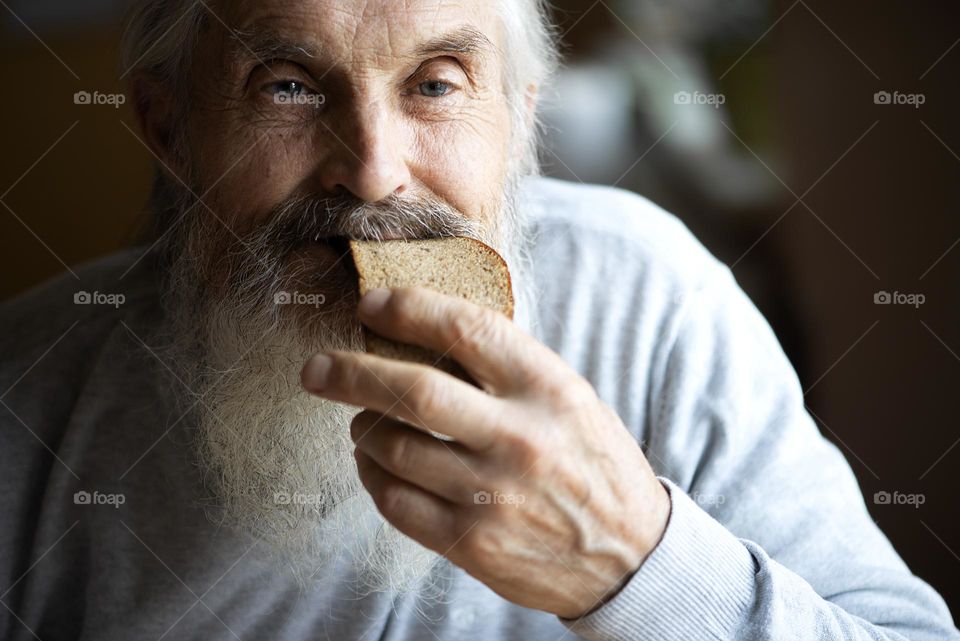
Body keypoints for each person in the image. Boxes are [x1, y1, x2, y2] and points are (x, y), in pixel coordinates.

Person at [1, 1, 957, 639]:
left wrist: (635, 561)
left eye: (437, 83)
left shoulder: (654, 299)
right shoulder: (29, 393)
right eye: (288, 84)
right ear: (168, 130)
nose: (372, 170)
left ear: (518, 122)